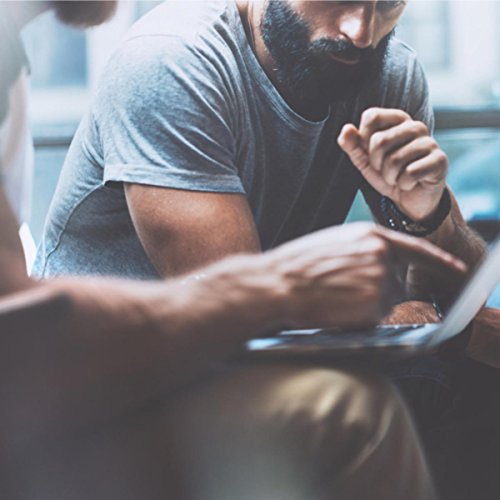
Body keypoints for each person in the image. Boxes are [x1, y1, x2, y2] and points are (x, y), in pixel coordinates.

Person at [0, 1, 470, 498]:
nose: (360, 30)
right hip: (106, 383)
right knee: (351, 410)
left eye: (388, 4)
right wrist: (376, 311)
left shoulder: (384, 70)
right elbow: (238, 314)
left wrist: (428, 213)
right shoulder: (171, 58)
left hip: (204, 353)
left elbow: (459, 298)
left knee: (472, 388)